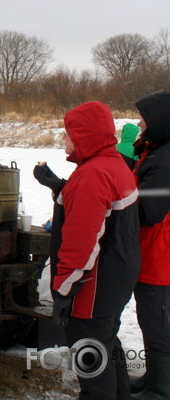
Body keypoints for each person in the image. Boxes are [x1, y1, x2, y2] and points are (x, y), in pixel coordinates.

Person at [36, 101, 140, 399]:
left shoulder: (93, 174)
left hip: (94, 283)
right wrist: (61, 187)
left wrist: (65, 289)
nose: (64, 139)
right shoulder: (112, 164)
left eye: (68, 133)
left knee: (90, 352)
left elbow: (82, 241)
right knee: (105, 341)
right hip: (118, 274)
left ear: (85, 136)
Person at [129, 91, 170, 399]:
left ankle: (161, 388)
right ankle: (153, 378)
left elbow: (147, 211)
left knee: (159, 321)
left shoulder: (165, 158)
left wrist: (113, 205)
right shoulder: (155, 150)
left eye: (143, 116)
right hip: (152, 252)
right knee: (150, 318)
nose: (138, 122)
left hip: (161, 257)